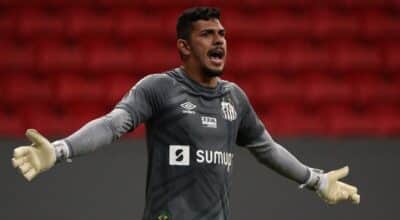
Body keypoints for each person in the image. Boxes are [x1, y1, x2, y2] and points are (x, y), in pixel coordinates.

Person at [11, 7, 360, 220]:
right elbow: (112, 124)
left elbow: (266, 148)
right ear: (184, 46)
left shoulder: (234, 98)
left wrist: (318, 181)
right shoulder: (159, 88)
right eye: (207, 35)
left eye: (222, 34)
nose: (219, 41)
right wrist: (59, 151)